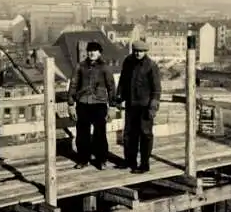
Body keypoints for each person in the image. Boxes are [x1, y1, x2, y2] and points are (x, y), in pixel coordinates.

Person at [67, 41, 116, 170]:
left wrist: (112, 107)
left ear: (99, 53)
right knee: (82, 134)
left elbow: (111, 88)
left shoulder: (105, 68)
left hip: (99, 105)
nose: (91, 53)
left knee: (100, 134)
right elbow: (73, 85)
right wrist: (71, 105)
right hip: (83, 104)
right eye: (89, 50)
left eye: (94, 51)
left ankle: (101, 160)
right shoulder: (80, 66)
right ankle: (83, 159)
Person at [115, 40, 161, 174]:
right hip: (131, 105)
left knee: (145, 134)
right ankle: (130, 161)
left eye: (140, 51)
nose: (137, 53)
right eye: (135, 51)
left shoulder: (151, 66)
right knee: (129, 134)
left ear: (145, 52)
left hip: (145, 107)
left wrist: (153, 107)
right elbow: (123, 81)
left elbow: (156, 89)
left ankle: (144, 164)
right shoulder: (128, 62)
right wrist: (119, 97)